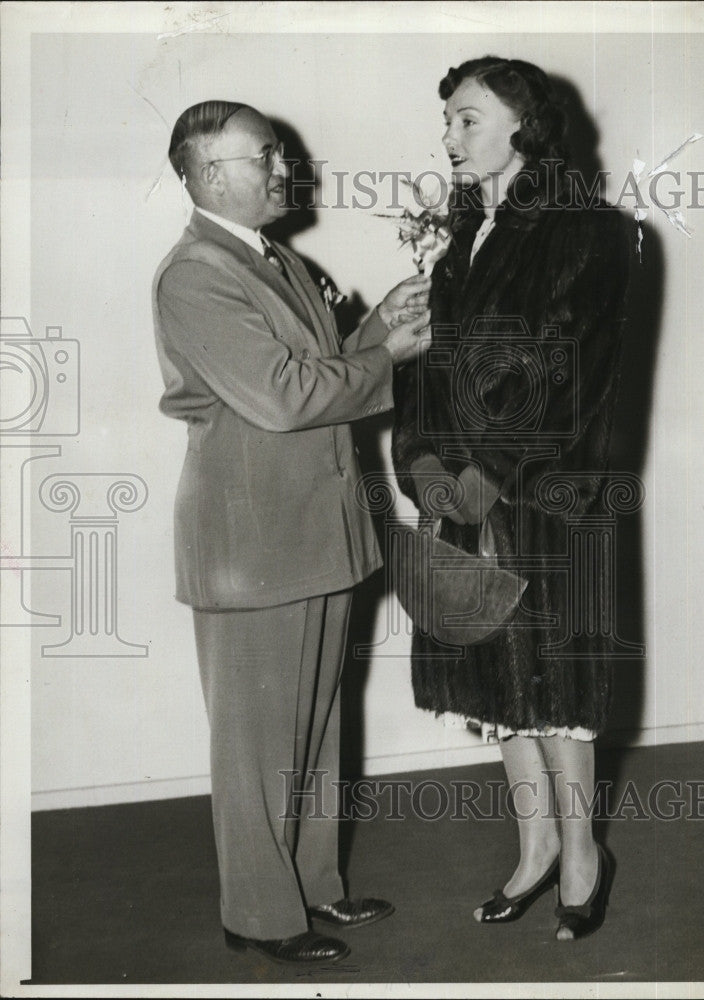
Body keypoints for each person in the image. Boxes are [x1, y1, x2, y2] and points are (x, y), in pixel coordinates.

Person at [152, 100, 430, 966]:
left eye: (276, 153)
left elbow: (315, 368)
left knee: (312, 725)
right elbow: (282, 398)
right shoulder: (196, 272)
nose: (282, 170)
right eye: (261, 158)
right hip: (252, 543)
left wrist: (378, 323)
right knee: (256, 743)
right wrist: (387, 358)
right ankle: (261, 915)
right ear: (206, 177)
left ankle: (315, 888)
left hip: (310, 533)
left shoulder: (268, 257)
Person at [392, 58, 632, 940]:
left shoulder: (588, 231)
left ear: (522, 125)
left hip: (543, 497)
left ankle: (582, 859)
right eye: (447, 123)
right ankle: (533, 851)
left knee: (556, 685)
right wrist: (417, 461)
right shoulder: (463, 234)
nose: (448, 139)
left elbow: (570, 369)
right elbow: (424, 366)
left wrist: (488, 471)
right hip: (455, 494)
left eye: (466, 121)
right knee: (499, 686)